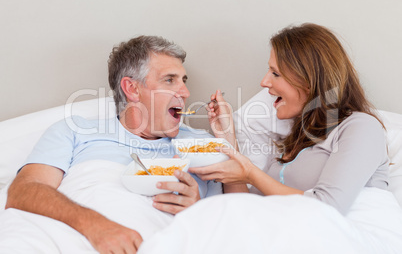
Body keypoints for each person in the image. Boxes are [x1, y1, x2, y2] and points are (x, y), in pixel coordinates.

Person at [5, 35, 221, 253]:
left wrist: (197, 211)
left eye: (183, 81)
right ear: (132, 89)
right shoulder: (75, 131)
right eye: (169, 80)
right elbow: (23, 191)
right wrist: (95, 226)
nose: (185, 93)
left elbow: (233, 221)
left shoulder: (202, 145)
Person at [191, 23, 389, 215]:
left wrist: (251, 174)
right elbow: (246, 209)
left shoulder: (361, 127)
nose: (264, 82)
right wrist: (227, 138)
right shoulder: (292, 140)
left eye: (275, 73)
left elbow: (328, 208)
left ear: (309, 81)